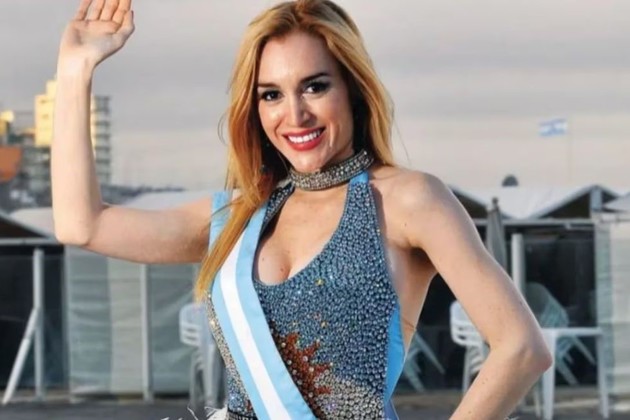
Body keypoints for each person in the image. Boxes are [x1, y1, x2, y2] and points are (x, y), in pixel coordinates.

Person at [52, 0, 552, 418]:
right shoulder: (237, 218)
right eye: (272, 95)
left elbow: (521, 348)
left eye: (315, 86)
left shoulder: (409, 200)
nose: (295, 115)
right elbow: (81, 225)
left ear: (352, 88)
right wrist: (75, 70)